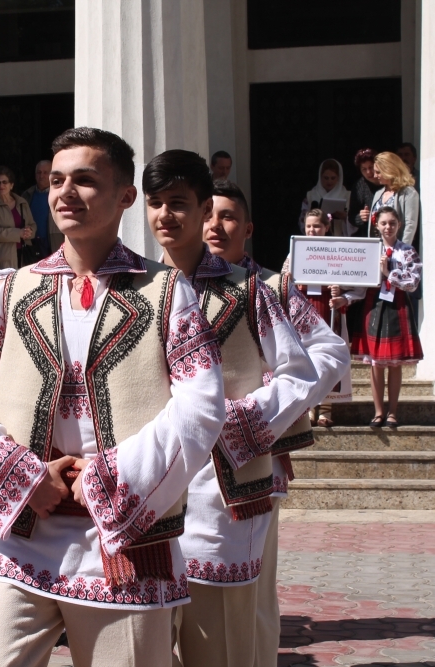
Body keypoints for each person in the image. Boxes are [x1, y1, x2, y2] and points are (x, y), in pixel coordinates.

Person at [0, 127, 228, 666]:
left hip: (125, 537)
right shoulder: (10, 289)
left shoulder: (167, 292)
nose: (66, 192)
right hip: (27, 531)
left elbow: (201, 403)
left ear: (125, 196)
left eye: (85, 180)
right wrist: (24, 478)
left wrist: (107, 478)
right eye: (57, 180)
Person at [142, 153, 341, 667]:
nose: (169, 215)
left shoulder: (254, 289)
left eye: (182, 204)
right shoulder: (135, 290)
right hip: (146, 478)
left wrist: (247, 418)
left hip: (225, 478)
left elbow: (321, 358)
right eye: (156, 203)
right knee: (149, 633)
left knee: (233, 627)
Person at [209, 182, 350, 667]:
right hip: (179, 467)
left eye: (227, 216)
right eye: (207, 213)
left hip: (251, 461)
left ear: (247, 229)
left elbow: (329, 351)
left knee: (252, 598)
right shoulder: (170, 286)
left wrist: (266, 410)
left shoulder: (268, 287)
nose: (214, 225)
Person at [280, 210, 365, 427]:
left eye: (316, 226)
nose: (312, 231)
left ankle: (326, 408)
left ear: (326, 228)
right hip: (302, 313)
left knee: (328, 357)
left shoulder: (337, 253)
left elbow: (359, 286)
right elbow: (281, 284)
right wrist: (288, 281)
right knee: (306, 358)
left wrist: (342, 295)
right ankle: (309, 407)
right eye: (308, 227)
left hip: (328, 312)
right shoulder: (295, 253)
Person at [352, 206, 423, 428]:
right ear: (376, 225)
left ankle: (393, 412)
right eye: (384, 223)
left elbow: (413, 282)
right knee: (376, 363)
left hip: (398, 305)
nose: (388, 227)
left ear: (399, 225)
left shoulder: (408, 251)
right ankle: (378, 412)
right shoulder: (370, 249)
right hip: (375, 304)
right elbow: (359, 278)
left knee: (395, 363)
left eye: (392, 223)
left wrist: (388, 273)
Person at [0, 166, 36, 271]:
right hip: (4, 256)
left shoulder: (22, 202)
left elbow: (32, 224)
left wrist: (29, 232)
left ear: (11, 185)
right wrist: (19, 233)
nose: (1, 185)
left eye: (5, 182)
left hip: (24, 253)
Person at [370, 152, 420, 246]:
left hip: (397, 250)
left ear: (389, 170)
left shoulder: (408, 193)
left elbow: (410, 225)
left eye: (378, 172)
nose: (375, 176)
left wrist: (403, 250)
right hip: (377, 249)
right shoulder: (378, 194)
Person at [22, 159, 63, 257]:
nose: (41, 176)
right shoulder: (27, 195)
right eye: (39, 172)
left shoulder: (61, 194)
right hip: (32, 245)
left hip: (54, 244)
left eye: (45, 172)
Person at [300, 158, 350, 235]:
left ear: (339, 178)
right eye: (326, 178)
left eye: (333, 178)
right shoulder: (311, 195)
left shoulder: (347, 196)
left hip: (339, 239)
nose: (329, 181)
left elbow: (355, 222)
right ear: (320, 177)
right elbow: (303, 220)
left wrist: (345, 217)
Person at [348, 148, 381, 238]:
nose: (368, 172)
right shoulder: (359, 186)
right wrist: (361, 217)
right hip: (368, 235)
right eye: (364, 169)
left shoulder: (386, 182)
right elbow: (352, 216)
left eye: (371, 167)